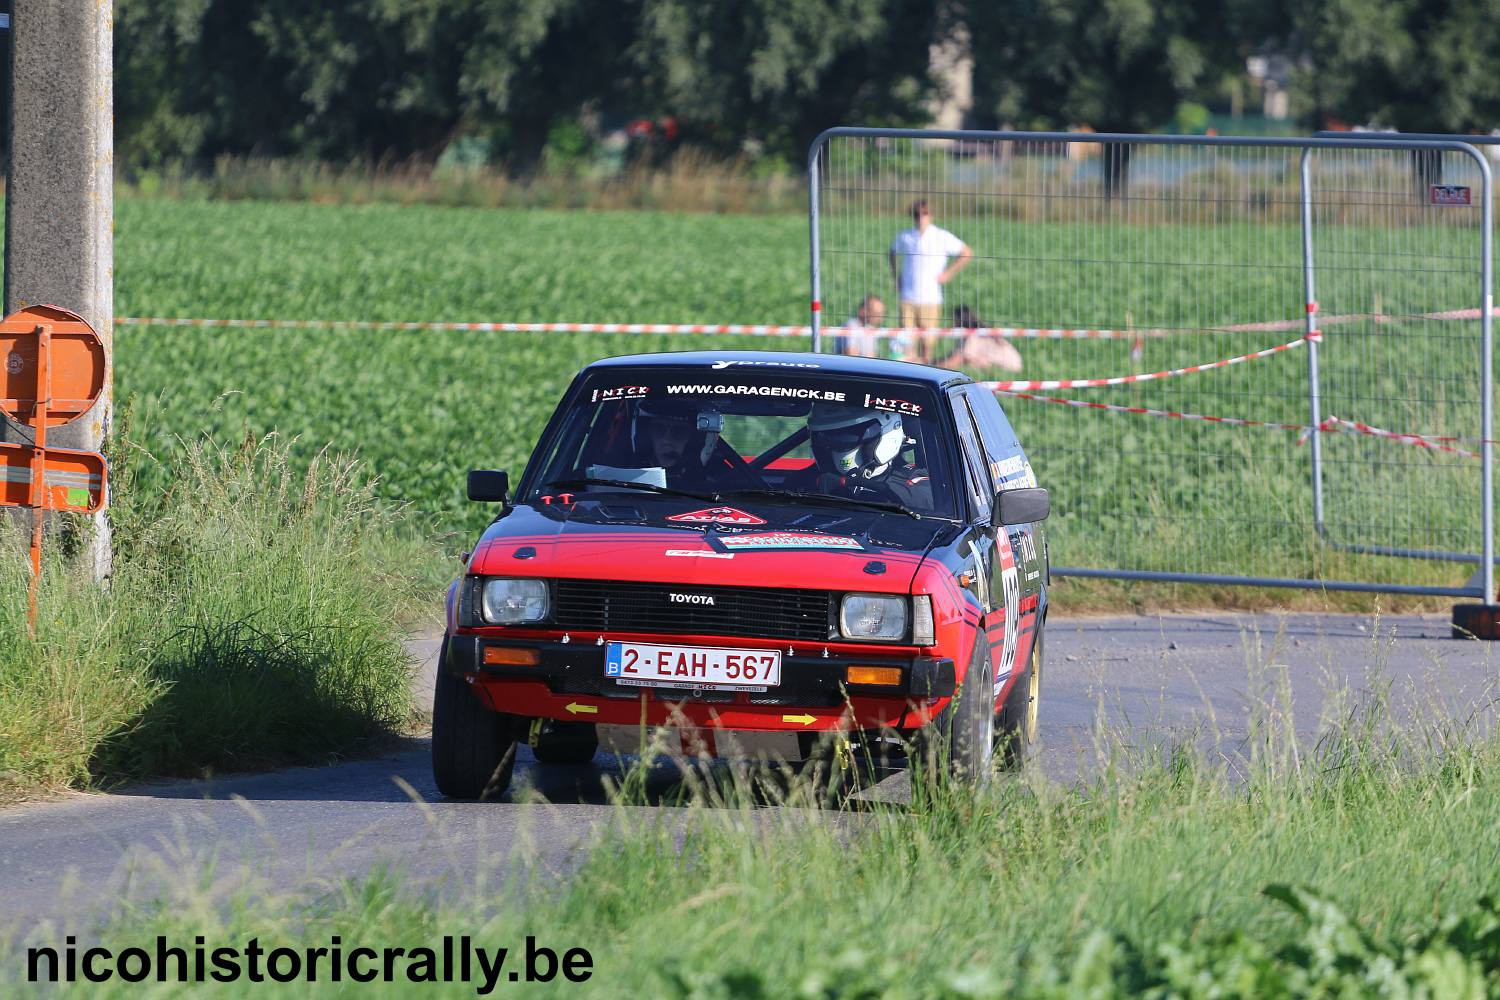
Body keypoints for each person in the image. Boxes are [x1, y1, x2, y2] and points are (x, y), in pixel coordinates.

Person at [802, 402, 933, 512]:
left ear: (888, 433)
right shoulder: (804, 484)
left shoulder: (918, 490)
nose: (836, 446)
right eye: (825, 438)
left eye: (847, 437)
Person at [888, 200, 972, 363]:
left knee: (927, 344)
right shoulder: (906, 236)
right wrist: (896, 277)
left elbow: (966, 252)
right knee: (907, 343)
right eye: (917, 214)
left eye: (924, 213)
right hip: (908, 297)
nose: (921, 217)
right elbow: (891, 252)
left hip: (930, 298)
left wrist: (948, 273)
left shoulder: (941, 236)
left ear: (930, 215)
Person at [936, 304, 1023, 373]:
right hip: (1011, 366)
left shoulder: (972, 336)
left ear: (960, 320)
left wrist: (929, 366)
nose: (952, 323)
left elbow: (955, 360)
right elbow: (952, 356)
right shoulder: (978, 332)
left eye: (954, 320)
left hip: (1007, 369)